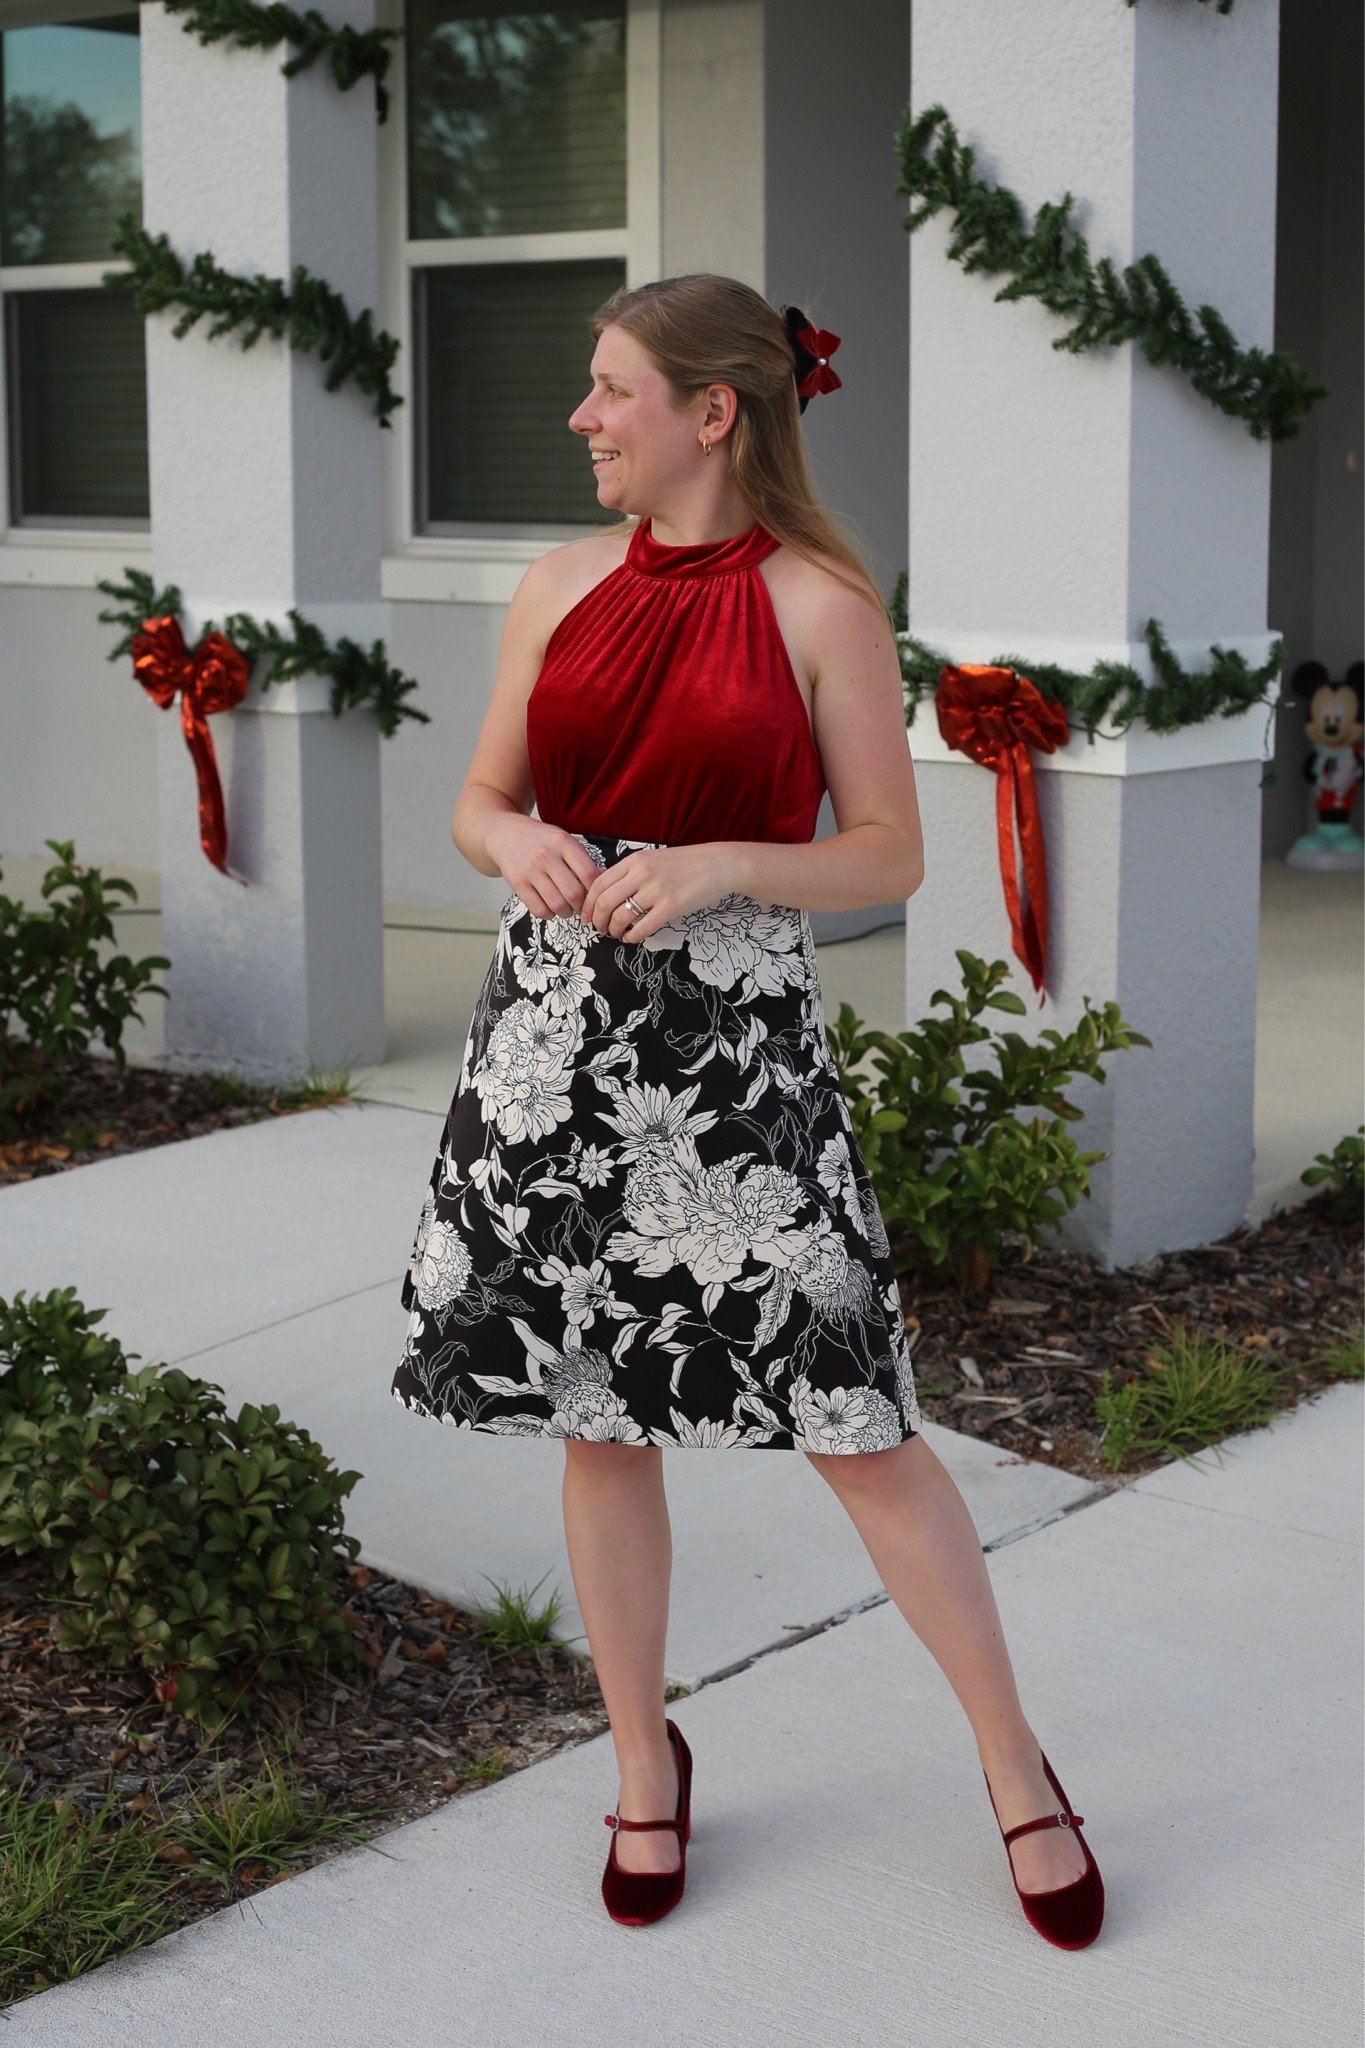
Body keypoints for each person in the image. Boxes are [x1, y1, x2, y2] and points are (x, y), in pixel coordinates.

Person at [391, 273, 1103, 1948]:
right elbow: (478, 801)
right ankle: (645, 1756)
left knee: (855, 1423)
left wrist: (722, 864)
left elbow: (888, 851)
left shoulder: (818, 603)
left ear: (713, 412)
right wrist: (512, 844)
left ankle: (1012, 1762)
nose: (583, 417)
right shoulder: (554, 585)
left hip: (736, 1069)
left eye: (610, 389)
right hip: (550, 1050)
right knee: (596, 1417)